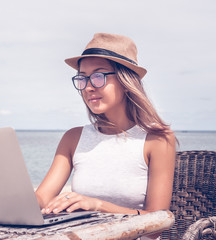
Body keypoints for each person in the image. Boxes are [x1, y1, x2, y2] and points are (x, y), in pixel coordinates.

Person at [35, 33, 176, 239]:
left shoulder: (157, 139)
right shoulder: (73, 138)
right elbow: (41, 198)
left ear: (125, 80)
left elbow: (158, 223)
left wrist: (98, 206)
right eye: (82, 78)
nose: (89, 86)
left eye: (98, 76)